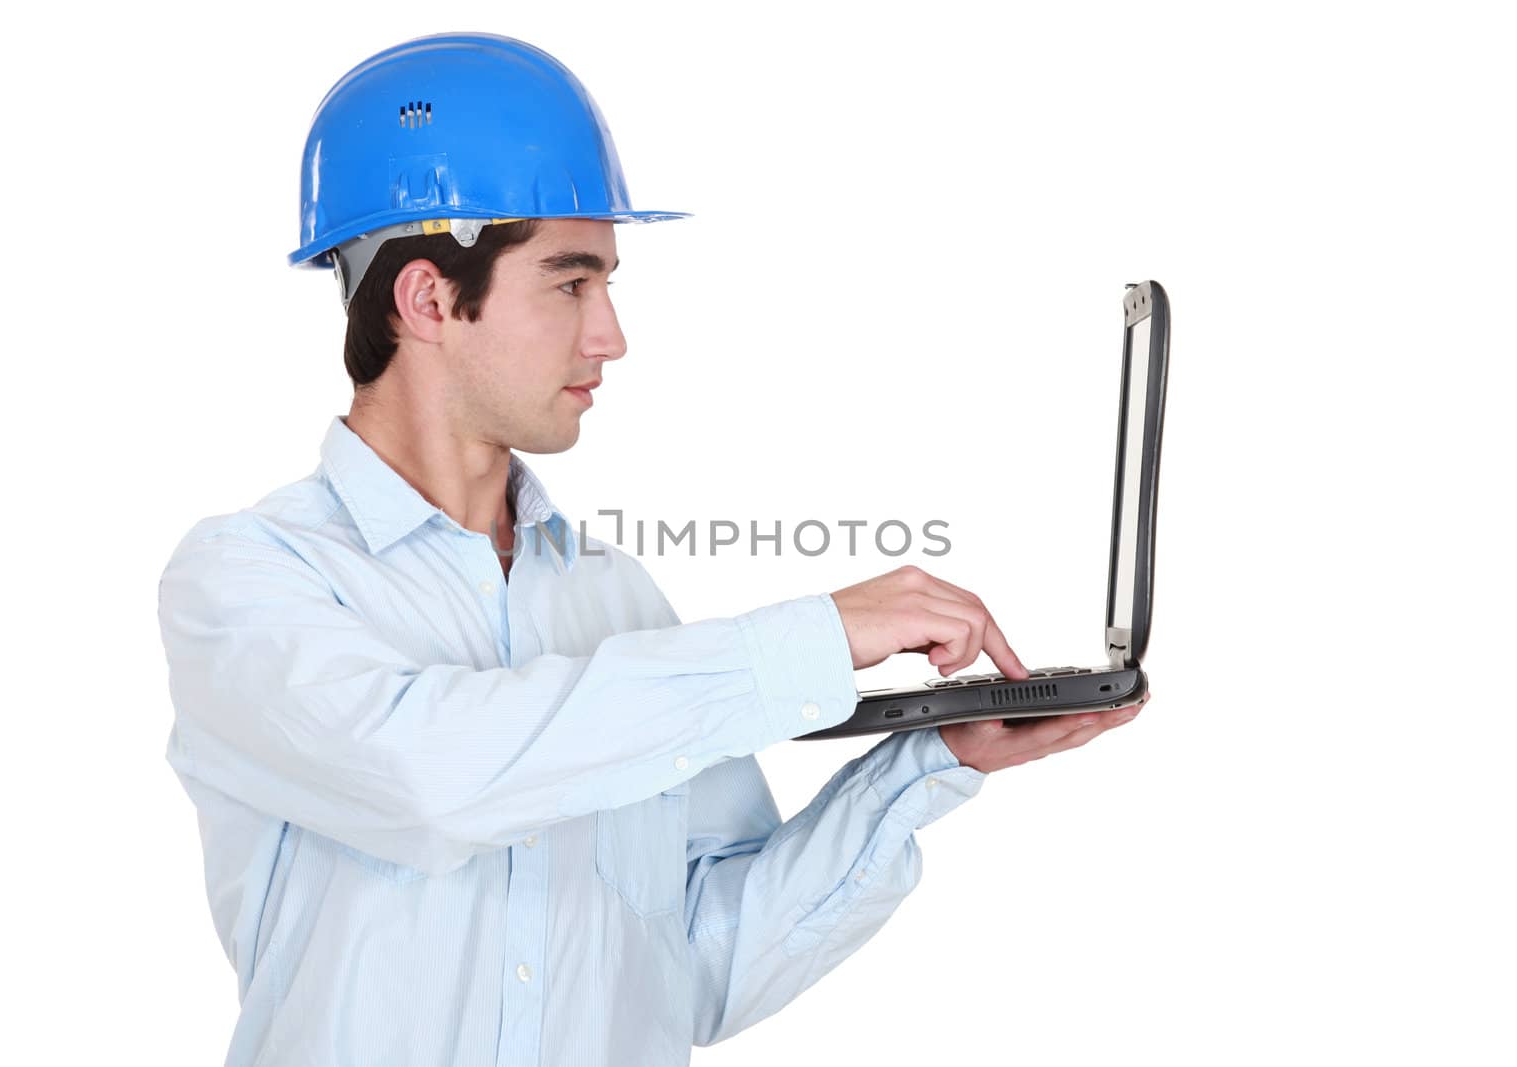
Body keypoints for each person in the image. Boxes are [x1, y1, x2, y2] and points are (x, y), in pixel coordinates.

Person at [156, 31, 1146, 1066]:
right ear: (428, 297)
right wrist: (806, 641)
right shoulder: (249, 581)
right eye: (570, 283)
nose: (610, 335)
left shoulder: (617, 604)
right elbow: (431, 775)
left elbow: (692, 972)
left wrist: (924, 765)